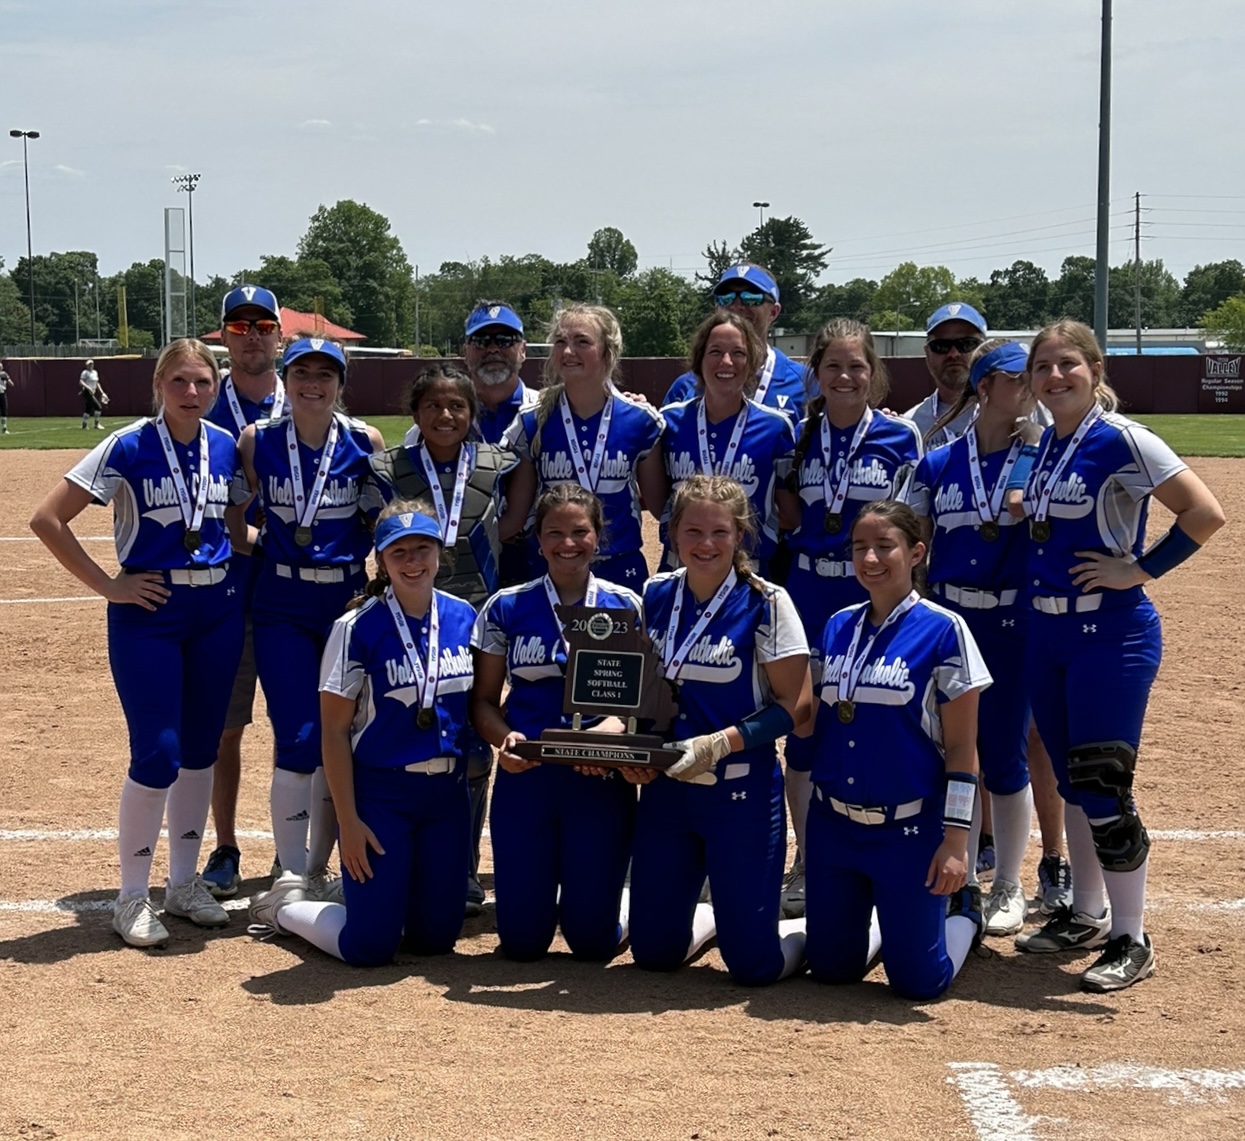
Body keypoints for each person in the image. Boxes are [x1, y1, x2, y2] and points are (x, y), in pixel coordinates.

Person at [1014, 320, 1224, 991]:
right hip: (1048, 635)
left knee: (1102, 781)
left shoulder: (1121, 437)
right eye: (1042, 367)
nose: (1054, 377)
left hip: (1111, 634)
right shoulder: (1049, 441)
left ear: (1094, 369)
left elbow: (1203, 512)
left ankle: (1131, 935)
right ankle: (1085, 911)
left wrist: (1141, 568)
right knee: (1073, 780)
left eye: (1067, 364)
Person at [30, 339, 244, 946]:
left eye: (203, 381)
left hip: (217, 610)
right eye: (180, 381)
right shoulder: (127, 444)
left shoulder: (225, 447)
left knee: (201, 750)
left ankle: (182, 885)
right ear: (159, 384)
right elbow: (48, 518)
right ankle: (131, 896)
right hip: (150, 611)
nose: (193, 393)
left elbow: (231, 528)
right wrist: (108, 585)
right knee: (158, 752)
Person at [247, 503, 477, 965]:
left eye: (423, 549)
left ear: (440, 552)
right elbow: (332, 733)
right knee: (369, 947)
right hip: (382, 796)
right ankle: (287, 908)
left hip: (447, 795)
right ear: (381, 561)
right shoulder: (355, 627)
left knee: (436, 940)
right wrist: (348, 825)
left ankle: (390, 896)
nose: (413, 562)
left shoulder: (464, 616)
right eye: (399, 553)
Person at [795, 500, 990, 999]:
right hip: (834, 827)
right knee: (832, 970)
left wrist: (955, 843)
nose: (871, 559)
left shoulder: (945, 630)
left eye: (885, 546)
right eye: (861, 547)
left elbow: (964, 748)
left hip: (909, 832)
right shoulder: (837, 625)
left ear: (916, 552)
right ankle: (895, 926)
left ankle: (964, 915)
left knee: (919, 984)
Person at [628, 474, 812, 986]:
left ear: (740, 535)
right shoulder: (655, 595)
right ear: (672, 534)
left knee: (754, 967)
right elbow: (641, 691)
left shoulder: (768, 602)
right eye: (693, 532)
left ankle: (811, 932)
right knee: (653, 954)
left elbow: (798, 710)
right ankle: (716, 922)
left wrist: (721, 743)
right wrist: (633, 747)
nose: (706, 544)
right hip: (669, 793)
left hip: (741, 795)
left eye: (720, 533)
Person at [369, 363, 534, 915]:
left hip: (473, 619)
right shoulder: (387, 467)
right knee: (410, 730)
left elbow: (510, 526)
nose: (446, 415)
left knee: (468, 742)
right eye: (434, 406)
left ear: (473, 414)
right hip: (406, 616)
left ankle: (461, 864)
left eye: (457, 406)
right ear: (415, 413)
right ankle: (408, 855)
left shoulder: (500, 464)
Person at [230, 338, 384, 902]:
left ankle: (322, 867)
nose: (312, 383)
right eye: (302, 372)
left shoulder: (365, 441)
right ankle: (290, 872)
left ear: (341, 383)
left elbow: (380, 523)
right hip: (281, 607)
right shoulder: (257, 440)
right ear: (286, 377)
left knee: (338, 733)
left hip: (345, 605)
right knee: (297, 735)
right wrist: (269, 549)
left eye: (325, 373)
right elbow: (232, 520)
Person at [777, 319, 922, 919]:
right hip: (807, 591)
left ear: (874, 373)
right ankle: (808, 859)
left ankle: (864, 850)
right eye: (833, 366)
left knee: (865, 714)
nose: (844, 376)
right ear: (816, 372)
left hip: (870, 593)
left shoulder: (900, 436)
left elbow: (913, 523)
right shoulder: (796, 435)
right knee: (804, 724)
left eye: (856, 366)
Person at [903, 339, 1044, 937]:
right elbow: (907, 539)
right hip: (950, 618)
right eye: (1019, 379)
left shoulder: (1039, 455)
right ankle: (954, 869)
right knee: (948, 748)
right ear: (984, 388)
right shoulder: (937, 463)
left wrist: (1032, 453)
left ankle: (1008, 881)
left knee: (1005, 756)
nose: (1032, 390)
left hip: (1012, 620)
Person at [471, 483, 644, 961]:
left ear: (598, 536)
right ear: (538, 538)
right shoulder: (506, 606)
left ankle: (635, 908)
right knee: (523, 944)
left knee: (592, 943)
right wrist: (504, 741)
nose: (568, 543)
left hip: (598, 779)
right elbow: (483, 702)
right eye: (555, 533)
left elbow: (644, 699)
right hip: (528, 778)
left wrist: (617, 727)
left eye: (580, 531)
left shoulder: (626, 605)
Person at [199, 284, 286, 898]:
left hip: (290, 589)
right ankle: (225, 846)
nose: (251, 335)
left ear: (279, 335)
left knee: (297, 723)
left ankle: (291, 848)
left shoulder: (308, 396)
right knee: (225, 726)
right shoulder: (201, 408)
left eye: (262, 325)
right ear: (224, 336)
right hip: (224, 589)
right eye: (239, 326)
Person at [504, 304, 665, 587]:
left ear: (607, 351)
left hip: (618, 567)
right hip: (551, 566)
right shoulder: (532, 420)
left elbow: (659, 506)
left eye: (582, 342)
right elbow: (517, 515)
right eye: (561, 342)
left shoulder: (640, 420)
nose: (568, 352)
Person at [656, 312, 796, 573]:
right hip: (679, 571)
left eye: (739, 353)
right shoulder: (668, 422)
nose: (727, 362)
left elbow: (789, 514)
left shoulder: (776, 427)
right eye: (715, 351)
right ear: (699, 359)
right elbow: (657, 502)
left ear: (753, 361)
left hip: (747, 572)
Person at [662, 265, 807, 424]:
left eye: (751, 297)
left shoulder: (805, 383)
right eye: (726, 297)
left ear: (773, 311)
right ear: (716, 309)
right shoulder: (687, 385)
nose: (736, 306)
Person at [902, 303, 988, 450]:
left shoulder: (1013, 413)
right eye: (941, 346)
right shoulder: (909, 426)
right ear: (927, 353)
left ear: (984, 350)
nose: (953, 354)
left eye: (966, 344)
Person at [79, 359, 109, 430]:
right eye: (89, 364)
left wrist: (102, 393)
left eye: (92, 364)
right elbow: (81, 382)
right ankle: (96, 424)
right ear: (86, 365)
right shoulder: (85, 372)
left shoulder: (95, 372)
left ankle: (84, 424)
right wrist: (88, 388)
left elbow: (97, 383)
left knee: (88, 409)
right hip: (87, 392)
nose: (91, 365)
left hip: (93, 392)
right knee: (98, 407)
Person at [0, 365, 13, 433]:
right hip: (1, 393)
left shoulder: (4, 374)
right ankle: (4, 428)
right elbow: (11, 383)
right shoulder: (3, 374)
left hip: (2, 394)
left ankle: (4, 428)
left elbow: (11, 383)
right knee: (3, 411)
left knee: (4, 411)